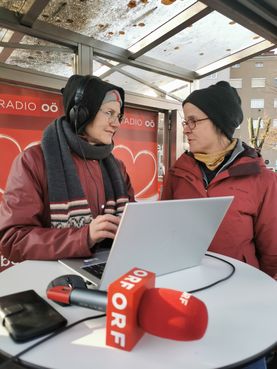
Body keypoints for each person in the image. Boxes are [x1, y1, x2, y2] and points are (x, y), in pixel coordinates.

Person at [0, 74, 135, 262]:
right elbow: (13, 240)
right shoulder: (33, 161)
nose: (117, 123)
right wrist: (84, 236)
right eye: (109, 113)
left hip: (111, 267)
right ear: (80, 113)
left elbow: (132, 220)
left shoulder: (118, 168)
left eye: (119, 116)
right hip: (55, 280)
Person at [161, 81, 277, 280]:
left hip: (240, 287)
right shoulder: (176, 175)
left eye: (193, 121)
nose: (186, 129)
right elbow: (163, 233)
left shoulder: (262, 179)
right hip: (187, 284)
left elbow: (272, 250)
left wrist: (261, 290)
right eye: (185, 122)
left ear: (219, 121)